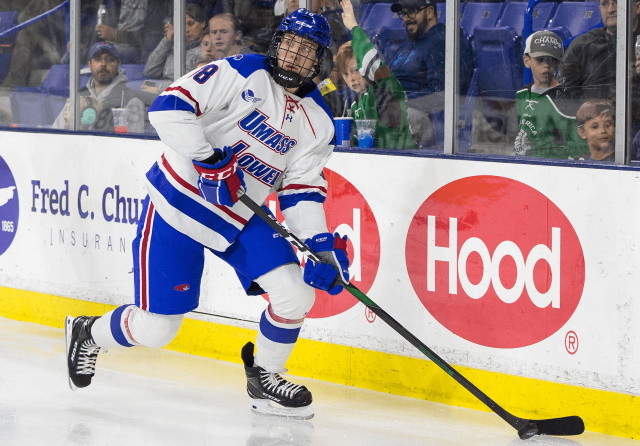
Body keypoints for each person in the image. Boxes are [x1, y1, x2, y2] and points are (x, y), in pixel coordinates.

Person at [65, 9, 350, 420]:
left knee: (295, 293)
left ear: (318, 59)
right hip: (179, 203)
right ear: (276, 43)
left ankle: (266, 379)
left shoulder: (318, 119)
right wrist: (209, 159)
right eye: (289, 43)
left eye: (306, 49)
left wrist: (320, 245)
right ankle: (86, 333)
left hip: (238, 216)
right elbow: (168, 107)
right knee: (157, 330)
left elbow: (301, 188)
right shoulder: (241, 71)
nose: (293, 54)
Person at [386, 0, 475, 147]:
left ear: (429, 12)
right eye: (403, 13)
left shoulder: (444, 42)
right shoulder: (412, 41)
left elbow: (440, 95)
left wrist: (402, 101)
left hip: (424, 116)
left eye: (412, 12)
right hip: (398, 107)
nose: (406, 18)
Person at [335, 0, 416, 149]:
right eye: (345, 74)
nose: (351, 78)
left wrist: (354, 27)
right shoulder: (355, 107)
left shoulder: (387, 86)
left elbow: (371, 63)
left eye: (355, 70)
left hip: (404, 161)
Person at [561, 0, 640, 147]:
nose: (611, 9)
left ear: (637, 7)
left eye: (617, 3)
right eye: (605, 4)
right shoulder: (582, 45)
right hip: (594, 133)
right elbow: (566, 96)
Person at [513, 30, 588, 159]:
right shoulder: (522, 94)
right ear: (527, 60)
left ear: (558, 63)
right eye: (540, 60)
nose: (546, 66)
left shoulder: (565, 99)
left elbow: (578, 149)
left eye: (552, 60)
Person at [52, 41, 146, 132]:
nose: (103, 64)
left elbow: (133, 143)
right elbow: (56, 132)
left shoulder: (130, 100)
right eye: (98, 59)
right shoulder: (78, 97)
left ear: (118, 64)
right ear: (90, 64)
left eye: (110, 60)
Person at [143, 4, 207, 89]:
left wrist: (158, 88)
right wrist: (167, 39)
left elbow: (189, 86)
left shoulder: (205, 51)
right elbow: (149, 71)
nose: (186, 30)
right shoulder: (173, 47)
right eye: (182, 25)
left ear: (203, 23)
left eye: (191, 24)